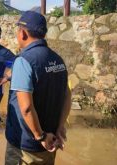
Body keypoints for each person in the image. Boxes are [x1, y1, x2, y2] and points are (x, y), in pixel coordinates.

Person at [5, 11, 72, 164]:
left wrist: (40, 135)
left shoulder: (24, 60)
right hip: (51, 141)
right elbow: (67, 96)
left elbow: (26, 108)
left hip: (27, 146)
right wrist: (60, 127)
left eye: (17, 31)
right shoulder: (58, 60)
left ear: (22, 33)